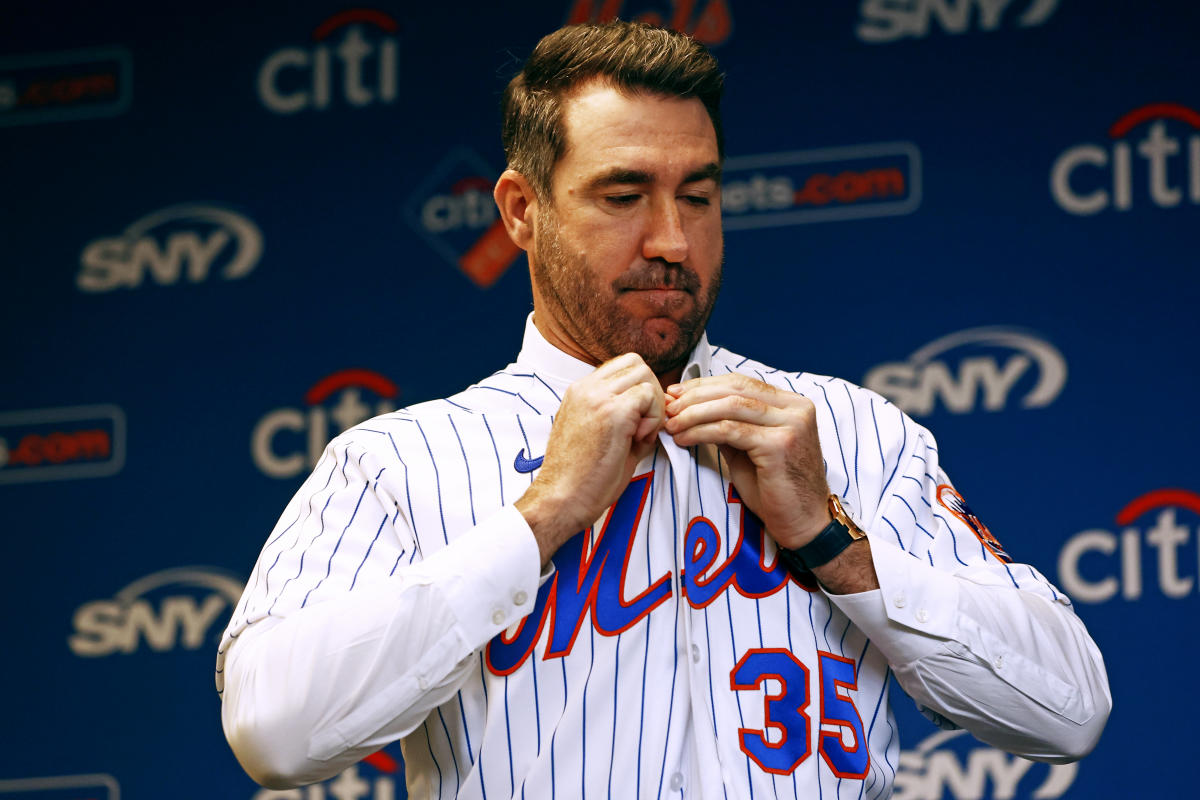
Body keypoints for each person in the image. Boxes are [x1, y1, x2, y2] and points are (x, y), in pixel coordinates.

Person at [217, 20, 1110, 798]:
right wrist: (543, 516)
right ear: (522, 211)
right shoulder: (403, 460)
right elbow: (274, 732)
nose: (672, 240)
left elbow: (1069, 711)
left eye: (698, 195)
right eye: (623, 195)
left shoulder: (847, 430)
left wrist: (830, 540)